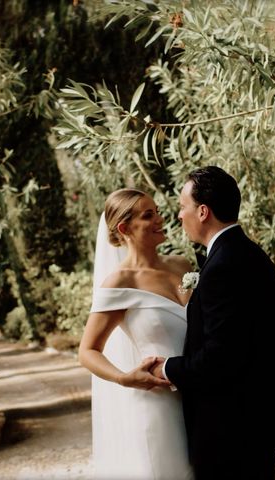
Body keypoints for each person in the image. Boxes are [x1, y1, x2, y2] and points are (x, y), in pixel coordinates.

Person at [151, 166, 275, 479]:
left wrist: (167, 368)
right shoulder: (248, 254)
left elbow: (221, 357)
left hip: (233, 430)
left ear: (203, 211)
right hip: (253, 422)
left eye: (184, 207)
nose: (180, 216)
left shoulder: (224, 266)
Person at [78, 188, 194, 479]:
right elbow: (87, 350)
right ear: (124, 228)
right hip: (159, 403)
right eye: (148, 215)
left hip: (202, 392)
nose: (160, 219)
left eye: (157, 211)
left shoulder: (182, 265)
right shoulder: (119, 282)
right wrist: (123, 377)